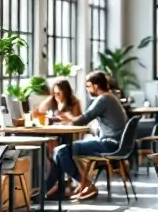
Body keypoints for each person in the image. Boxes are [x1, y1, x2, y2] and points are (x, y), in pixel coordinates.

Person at [48, 70, 127, 201]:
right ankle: (61, 187)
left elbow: (83, 119)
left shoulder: (103, 99)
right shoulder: (110, 97)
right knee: (59, 152)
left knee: (60, 151)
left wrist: (68, 117)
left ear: (96, 86)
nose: (87, 89)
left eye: (88, 86)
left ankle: (86, 184)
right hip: (114, 143)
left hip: (109, 144)